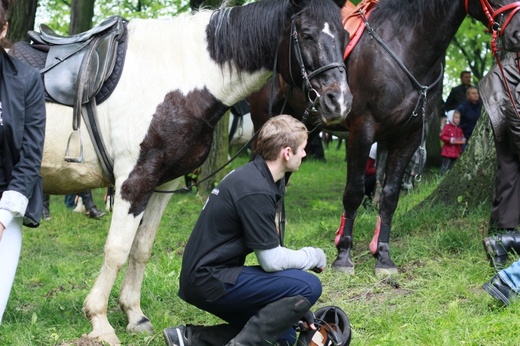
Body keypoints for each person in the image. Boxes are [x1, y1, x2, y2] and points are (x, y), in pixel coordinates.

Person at [163, 114, 326, 346]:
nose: (305, 154)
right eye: (302, 149)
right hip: (210, 278)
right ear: (287, 152)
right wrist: (313, 256)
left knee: (283, 336)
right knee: (310, 284)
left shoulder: (252, 176)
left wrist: (296, 308)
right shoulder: (255, 189)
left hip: (206, 275)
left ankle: (189, 339)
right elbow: (271, 260)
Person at [0, 0, 47, 324]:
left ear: (3, 29)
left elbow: (31, 155)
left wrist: (2, 219)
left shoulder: (28, 79)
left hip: (5, 202)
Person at [479, 52, 520, 302]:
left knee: (509, 176)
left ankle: (504, 240)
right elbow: (516, 112)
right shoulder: (509, 71)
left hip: (510, 116)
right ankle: (501, 237)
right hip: (510, 120)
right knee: (509, 175)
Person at [454, 86, 482, 150]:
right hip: (465, 137)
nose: (476, 95)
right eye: (473, 93)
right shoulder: (462, 108)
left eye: (477, 93)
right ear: (468, 96)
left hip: (479, 137)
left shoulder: (482, 107)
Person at [439, 111, 466, 176]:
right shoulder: (447, 127)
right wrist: (450, 140)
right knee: (445, 166)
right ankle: (441, 177)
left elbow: (461, 137)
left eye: (458, 118)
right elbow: (442, 136)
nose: (457, 120)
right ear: (451, 118)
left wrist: (462, 140)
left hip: (456, 152)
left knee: (453, 167)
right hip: (448, 151)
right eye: (455, 117)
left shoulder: (459, 129)